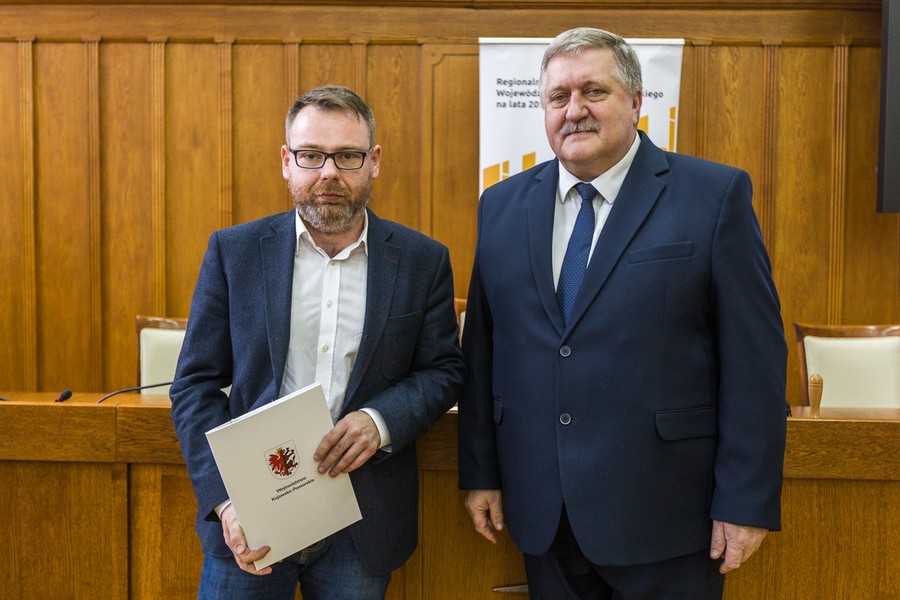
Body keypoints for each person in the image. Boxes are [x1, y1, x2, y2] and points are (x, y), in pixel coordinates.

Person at [458, 27, 787, 599]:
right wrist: (481, 472)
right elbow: (484, 351)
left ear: (636, 101)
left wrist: (745, 500)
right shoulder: (502, 205)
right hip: (543, 511)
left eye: (594, 91)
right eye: (558, 96)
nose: (574, 110)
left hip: (668, 516)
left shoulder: (713, 196)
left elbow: (754, 361)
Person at [170, 85, 465, 600]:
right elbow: (194, 385)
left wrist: (380, 421)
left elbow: (444, 370)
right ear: (287, 162)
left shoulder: (422, 261)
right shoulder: (234, 253)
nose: (329, 172)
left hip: (362, 518)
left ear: (374, 161)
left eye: (348, 156)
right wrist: (228, 502)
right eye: (311, 155)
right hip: (253, 514)